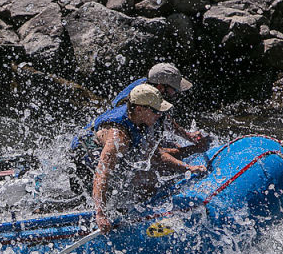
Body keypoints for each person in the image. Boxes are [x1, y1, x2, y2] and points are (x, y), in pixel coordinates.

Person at [69, 84, 207, 233]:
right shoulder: (118, 138)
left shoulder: (142, 119)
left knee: (151, 177)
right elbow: (102, 174)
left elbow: (156, 156)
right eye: (155, 111)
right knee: (141, 181)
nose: (159, 115)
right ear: (140, 109)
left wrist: (188, 166)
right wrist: (100, 214)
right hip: (84, 164)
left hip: (108, 157)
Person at [111, 62, 210, 155]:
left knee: (172, 144)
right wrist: (193, 150)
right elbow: (156, 156)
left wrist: (188, 135)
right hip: (121, 147)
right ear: (160, 87)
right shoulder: (140, 112)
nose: (176, 94)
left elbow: (164, 118)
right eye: (175, 89)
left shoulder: (147, 88)